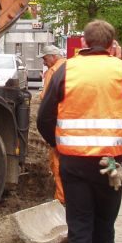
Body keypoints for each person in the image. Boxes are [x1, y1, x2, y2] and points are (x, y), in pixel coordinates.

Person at [37, 20, 122, 243]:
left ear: (83, 43)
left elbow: (43, 118)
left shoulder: (66, 70)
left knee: (80, 231)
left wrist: (60, 145)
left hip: (74, 164)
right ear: (112, 45)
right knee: (104, 230)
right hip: (111, 165)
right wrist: (121, 63)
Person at [40, 44, 66, 205]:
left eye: (45, 58)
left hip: (59, 124)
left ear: (53, 57)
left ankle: (61, 198)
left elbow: (46, 100)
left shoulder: (53, 72)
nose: (44, 62)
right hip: (74, 125)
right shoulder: (72, 67)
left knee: (57, 161)